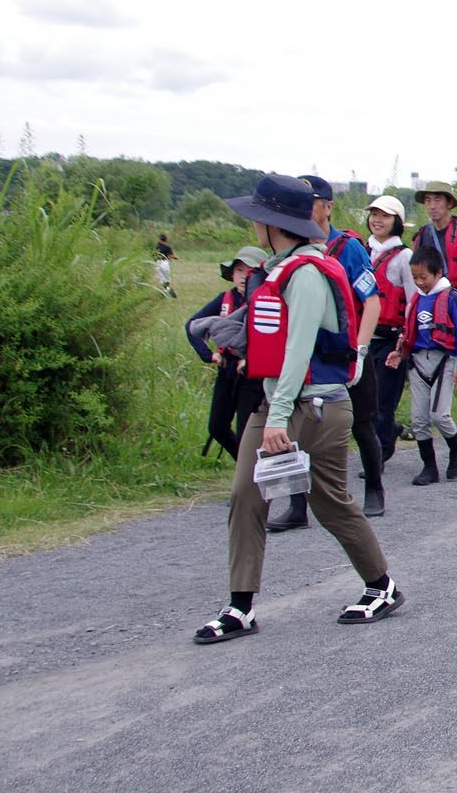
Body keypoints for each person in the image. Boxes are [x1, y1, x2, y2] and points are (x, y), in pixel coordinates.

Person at [192, 173, 402, 644]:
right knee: (246, 494)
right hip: (279, 402)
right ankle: (240, 606)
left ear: (274, 224)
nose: (253, 228)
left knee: (328, 502)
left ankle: (381, 585)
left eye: (257, 220)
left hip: (316, 407)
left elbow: (299, 351)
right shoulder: (278, 268)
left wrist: (280, 417)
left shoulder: (306, 275)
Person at [267, 176, 385, 526]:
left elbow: (373, 302)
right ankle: (297, 506)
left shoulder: (346, 247)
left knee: (362, 423)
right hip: (305, 355)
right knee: (296, 426)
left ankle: (375, 488)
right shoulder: (288, 250)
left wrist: (361, 350)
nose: (308, 207)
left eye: (314, 200)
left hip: (345, 352)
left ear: (328, 206)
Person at [387, 247, 457, 485]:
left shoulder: (452, 298)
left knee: (439, 414)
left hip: (444, 361)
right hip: (418, 362)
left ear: (438, 273)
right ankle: (429, 466)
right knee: (418, 419)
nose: (419, 282)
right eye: (415, 278)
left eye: (423, 277)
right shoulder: (417, 299)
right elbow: (411, 334)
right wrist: (400, 353)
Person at [183, 244, 268, 459]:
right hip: (227, 370)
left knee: (246, 432)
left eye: (250, 270)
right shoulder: (224, 299)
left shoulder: (266, 301)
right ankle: (246, 465)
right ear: (231, 274)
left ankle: (250, 476)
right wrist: (209, 354)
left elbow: (273, 340)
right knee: (216, 427)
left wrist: (249, 358)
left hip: (253, 375)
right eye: (239, 270)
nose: (243, 276)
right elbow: (192, 325)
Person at [362, 195, 414, 454]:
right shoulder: (363, 251)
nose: (377, 220)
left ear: (397, 222)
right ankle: (385, 434)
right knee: (363, 401)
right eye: (374, 214)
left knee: (383, 401)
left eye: (384, 216)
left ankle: (380, 451)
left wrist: (407, 338)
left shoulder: (405, 256)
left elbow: (414, 298)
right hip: (364, 337)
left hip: (391, 338)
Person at [412, 180, 457, 311]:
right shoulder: (423, 234)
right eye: (428, 200)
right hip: (432, 301)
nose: (432, 206)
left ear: (449, 203)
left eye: (437, 200)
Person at [153, 233, 178, 298]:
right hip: (164, 263)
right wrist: (175, 257)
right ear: (165, 240)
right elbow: (170, 255)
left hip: (157, 263)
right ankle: (167, 290)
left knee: (162, 278)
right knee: (167, 278)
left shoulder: (155, 247)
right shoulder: (167, 247)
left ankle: (165, 291)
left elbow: (153, 254)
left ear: (159, 239)